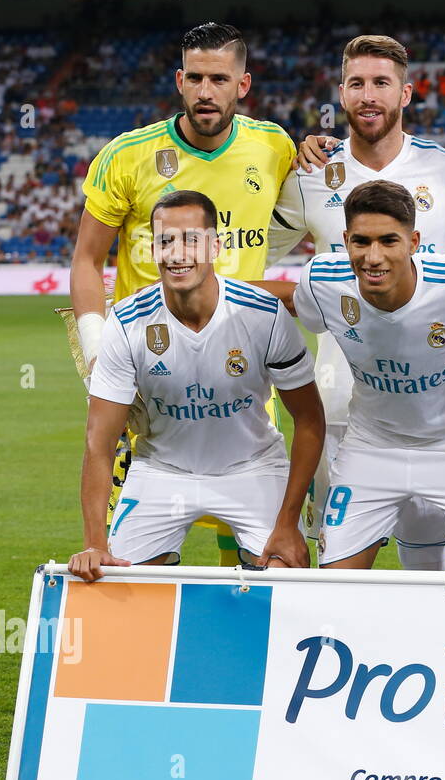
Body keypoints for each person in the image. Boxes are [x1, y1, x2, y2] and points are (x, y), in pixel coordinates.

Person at [69, 22, 298, 568]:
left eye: (219, 78)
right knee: (133, 554)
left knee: (250, 542)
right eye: (194, 77)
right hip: (145, 372)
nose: (205, 91)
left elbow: (299, 215)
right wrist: (97, 344)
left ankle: (236, 637)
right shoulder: (127, 156)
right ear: (179, 80)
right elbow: (86, 259)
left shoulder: (273, 147)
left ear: (243, 84)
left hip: (240, 365)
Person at [269, 35, 445, 572]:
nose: (369, 96)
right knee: (340, 565)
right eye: (357, 84)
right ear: (341, 94)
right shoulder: (309, 177)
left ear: (406, 93)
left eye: (381, 83)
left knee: (426, 563)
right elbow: (248, 252)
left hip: (441, 409)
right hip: (341, 404)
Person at [279, 180, 445, 571]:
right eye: (361, 242)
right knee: (333, 591)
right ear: (346, 239)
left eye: (389, 241)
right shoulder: (321, 281)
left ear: (414, 241)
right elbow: (283, 303)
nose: (373, 256)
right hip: (372, 445)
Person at [68, 190, 323, 582]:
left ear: (215, 245)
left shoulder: (263, 314)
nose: (177, 252)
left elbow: (309, 421)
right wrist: (93, 543)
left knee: (286, 573)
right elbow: (98, 443)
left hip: (252, 467)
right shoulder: (125, 322)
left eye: (191, 239)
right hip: (162, 469)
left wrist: (288, 521)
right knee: (112, 578)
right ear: (153, 248)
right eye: (166, 241)